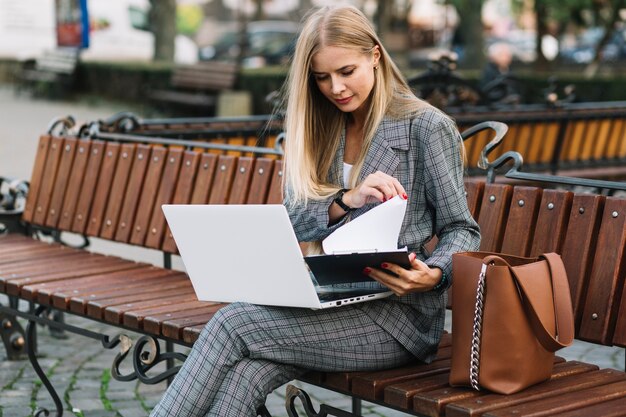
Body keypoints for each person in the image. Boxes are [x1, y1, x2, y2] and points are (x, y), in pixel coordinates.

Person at [149, 5, 480, 417]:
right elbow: (293, 220)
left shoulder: (425, 127)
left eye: (346, 71)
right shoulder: (322, 126)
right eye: (322, 77)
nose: (335, 87)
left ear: (375, 56)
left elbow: (461, 230)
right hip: (323, 299)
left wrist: (433, 275)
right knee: (246, 373)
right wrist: (345, 199)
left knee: (232, 324)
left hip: (395, 317)